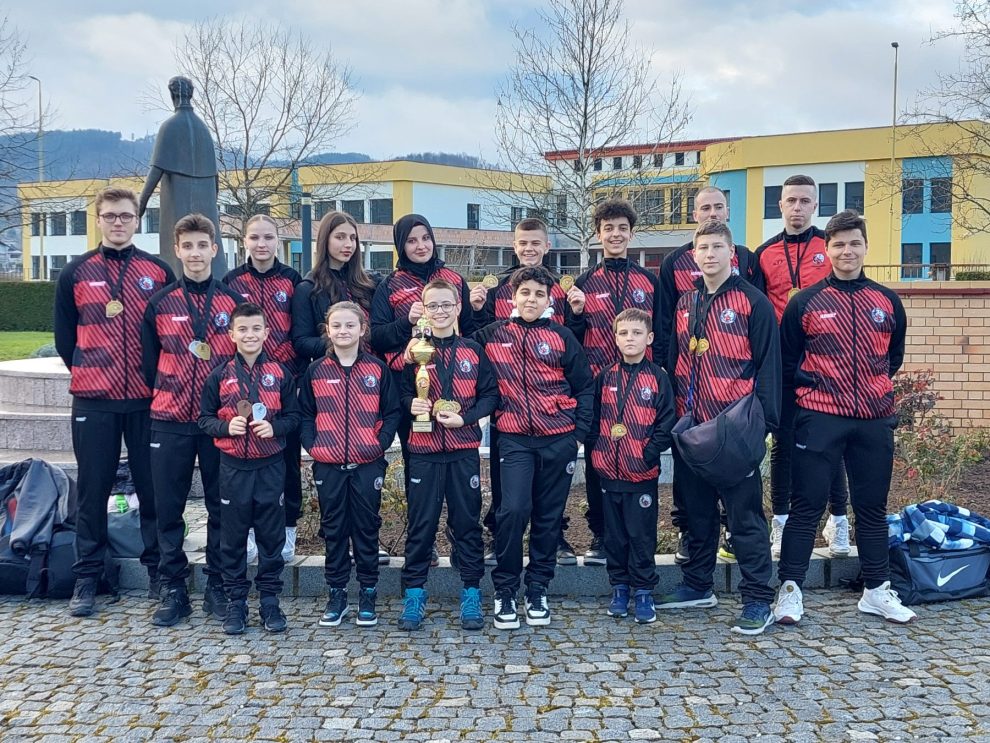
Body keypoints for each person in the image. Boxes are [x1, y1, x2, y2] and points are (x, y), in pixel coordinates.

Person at [774, 209, 915, 625]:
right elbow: (788, 362)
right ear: (827, 249)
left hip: (873, 419)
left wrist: (869, 390)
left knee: (871, 508)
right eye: (838, 244)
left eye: (854, 243)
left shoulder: (887, 301)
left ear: (866, 247)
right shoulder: (805, 302)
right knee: (806, 507)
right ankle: (790, 590)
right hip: (820, 418)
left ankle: (876, 590)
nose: (847, 251)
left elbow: (892, 359)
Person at [55, 187, 175, 617]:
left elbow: (169, 333)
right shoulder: (75, 272)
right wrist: (94, 370)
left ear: (137, 220)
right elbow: (64, 338)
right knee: (92, 490)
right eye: (110, 216)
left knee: (153, 488)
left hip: (146, 400)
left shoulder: (157, 271)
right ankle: (88, 576)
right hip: (95, 400)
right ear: (99, 220)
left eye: (126, 215)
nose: (118, 222)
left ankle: (159, 572)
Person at [660, 220, 780, 636]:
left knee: (745, 518)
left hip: (733, 428)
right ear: (694, 255)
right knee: (697, 514)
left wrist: (763, 424)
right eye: (703, 248)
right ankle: (697, 585)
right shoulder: (685, 302)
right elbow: (675, 358)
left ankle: (758, 599)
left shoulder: (752, 302)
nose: (709, 254)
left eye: (717, 247)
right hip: (692, 427)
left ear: (732, 253)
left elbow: (769, 366)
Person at [474, 266, 593, 630]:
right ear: (513, 297)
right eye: (525, 292)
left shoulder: (561, 337)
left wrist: (577, 435)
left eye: (539, 294)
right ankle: (506, 590)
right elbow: (456, 350)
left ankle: (538, 588)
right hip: (513, 439)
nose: (531, 299)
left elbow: (584, 386)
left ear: (548, 300)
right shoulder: (493, 335)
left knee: (548, 517)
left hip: (558, 439)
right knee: (512, 511)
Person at [141, 213, 244, 627]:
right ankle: (174, 587)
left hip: (217, 422)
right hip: (169, 418)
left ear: (214, 250)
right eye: (188, 246)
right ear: (177, 250)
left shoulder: (232, 302)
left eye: (203, 245)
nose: (196, 253)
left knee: (222, 506)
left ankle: (218, 583)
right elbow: (149, 361)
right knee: (169, 508)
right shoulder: (160, 303)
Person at [658, 186, 761, 565]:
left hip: (735, 414)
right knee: (694, 498)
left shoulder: (750, 282)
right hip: (692, 411)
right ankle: (694, 563)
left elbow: (761, 350)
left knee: (742, 502)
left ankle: (752, 583)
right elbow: (669, 335)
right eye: (706, 208)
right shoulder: (680, 280)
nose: (713, 213)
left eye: (719, 207)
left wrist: (761, 416)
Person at [755, 175, 850, 559]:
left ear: (815, 206)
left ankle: (838, 520)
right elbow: (758, 309)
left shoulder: (829, 247)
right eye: (791, 200)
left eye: (805, 201)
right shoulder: (764, 253)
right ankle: (780, 522)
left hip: (824, 361)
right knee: (782, 444)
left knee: (831, 442)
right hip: (782, 363)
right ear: (780, 205)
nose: (797, 207)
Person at [467, 217, 572, 565]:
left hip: (550, 405)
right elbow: (483, 338)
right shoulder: (497, 288)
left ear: (547, 246)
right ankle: (499, 536)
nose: (529, 249)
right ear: (514, 246)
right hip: (507, 404)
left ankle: (556, 537)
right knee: (505, 483)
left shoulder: (561, 288)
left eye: (535, 243)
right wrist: (476, 310)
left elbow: (572, 340)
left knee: (549, 486)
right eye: (523, 243)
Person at [370, 213, 472, 564]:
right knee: (419, 467)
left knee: (459, 468)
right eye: (412, 240)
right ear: (401, 245)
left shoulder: (454, 280)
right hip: (410, 390)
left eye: (425, 238)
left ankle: (460, 538)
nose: (420, 246)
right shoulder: (390, 286)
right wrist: (407, 322)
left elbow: (471, 329)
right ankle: (422, 542)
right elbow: (377, 335)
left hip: (455, 386)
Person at [397, 280, 498, 631]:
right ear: (424, 311)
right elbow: (398, 392)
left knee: (467, 524)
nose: (440, 311)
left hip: (462, 450)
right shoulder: (414, 352)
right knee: (421, 525)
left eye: (446, 305)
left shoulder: (473, 350)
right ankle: (414, 594)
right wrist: (411, 404)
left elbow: (490, 395)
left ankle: (471, 592)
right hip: (424, 451)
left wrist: (466, 418)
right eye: (433, 306)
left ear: (457, 308)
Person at [566, 199, 662, 566]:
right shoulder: (585, 283)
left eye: (622, 228)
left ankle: (638, 535)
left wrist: (660, 374)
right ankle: (601, 533)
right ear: (598, 234)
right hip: (598, 388)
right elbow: (572, 337)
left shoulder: (648, 281)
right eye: (608, 229)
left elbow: (661, 331)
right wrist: (577, 315)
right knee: (598, 460)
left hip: (641, 388)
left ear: (631, 234)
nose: (615, 234)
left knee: (639, 456)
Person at [198, 302, 299, 634]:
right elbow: (204, 419)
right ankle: (236, 602)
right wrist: (226, 428)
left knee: (271, 537)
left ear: (267, 333)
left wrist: (276, 427)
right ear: (231, 334)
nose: (250, 335)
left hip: (270, 466)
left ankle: (269, 601)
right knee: (233, 538)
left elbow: (294, 417)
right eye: (242, 329)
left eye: (256, 328)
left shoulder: (281, 374)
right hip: (232, 468)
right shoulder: (219, 375)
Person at [299, 301, 401, 628]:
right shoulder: (316, 370)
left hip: (367, 464)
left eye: (350, 325)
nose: (343, 331)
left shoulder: (377, 370)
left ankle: (368, 592)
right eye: (337, 326)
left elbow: (392, 413)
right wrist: (314, 446)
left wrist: (378, 444)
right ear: (327, 331)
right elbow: (305, 414)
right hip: (328, 464)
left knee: (366, 529)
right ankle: (337, 593)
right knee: (334, 530)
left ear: (362, 329)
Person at [223, 215, 303, 561]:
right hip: (242, 384)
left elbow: (299, 332)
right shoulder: (231, 281)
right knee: (246, 459)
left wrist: (294, 377)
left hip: (283, 383)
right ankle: (250, 533)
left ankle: (288, 529)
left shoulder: (293, 280)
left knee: (287, 459)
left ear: (278, 241)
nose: (261, 244)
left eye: (268, 237)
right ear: (244, 241)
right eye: (254, 237)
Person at [589, 308, 675, 624]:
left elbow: (667, 421)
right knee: (614, 537)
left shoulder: (658, 378)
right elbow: (593, 418)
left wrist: (648, 453)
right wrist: (598, 450)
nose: (630, 339)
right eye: (623, 333)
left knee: (641, 536)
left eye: (637, 333)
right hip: (609, 473)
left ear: (649, 338)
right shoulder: (605, 377)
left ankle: (643, 591)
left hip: (641, 473)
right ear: (615, 338)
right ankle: (620, 588)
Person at [292, 211, 380, 363]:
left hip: (373, 368)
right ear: (325, 240)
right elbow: (301, 341)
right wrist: (341, 343)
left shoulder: (370, 283)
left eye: (352, 238)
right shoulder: (308, 288)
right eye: (340, 237)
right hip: (331, 369)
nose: (348, 244)